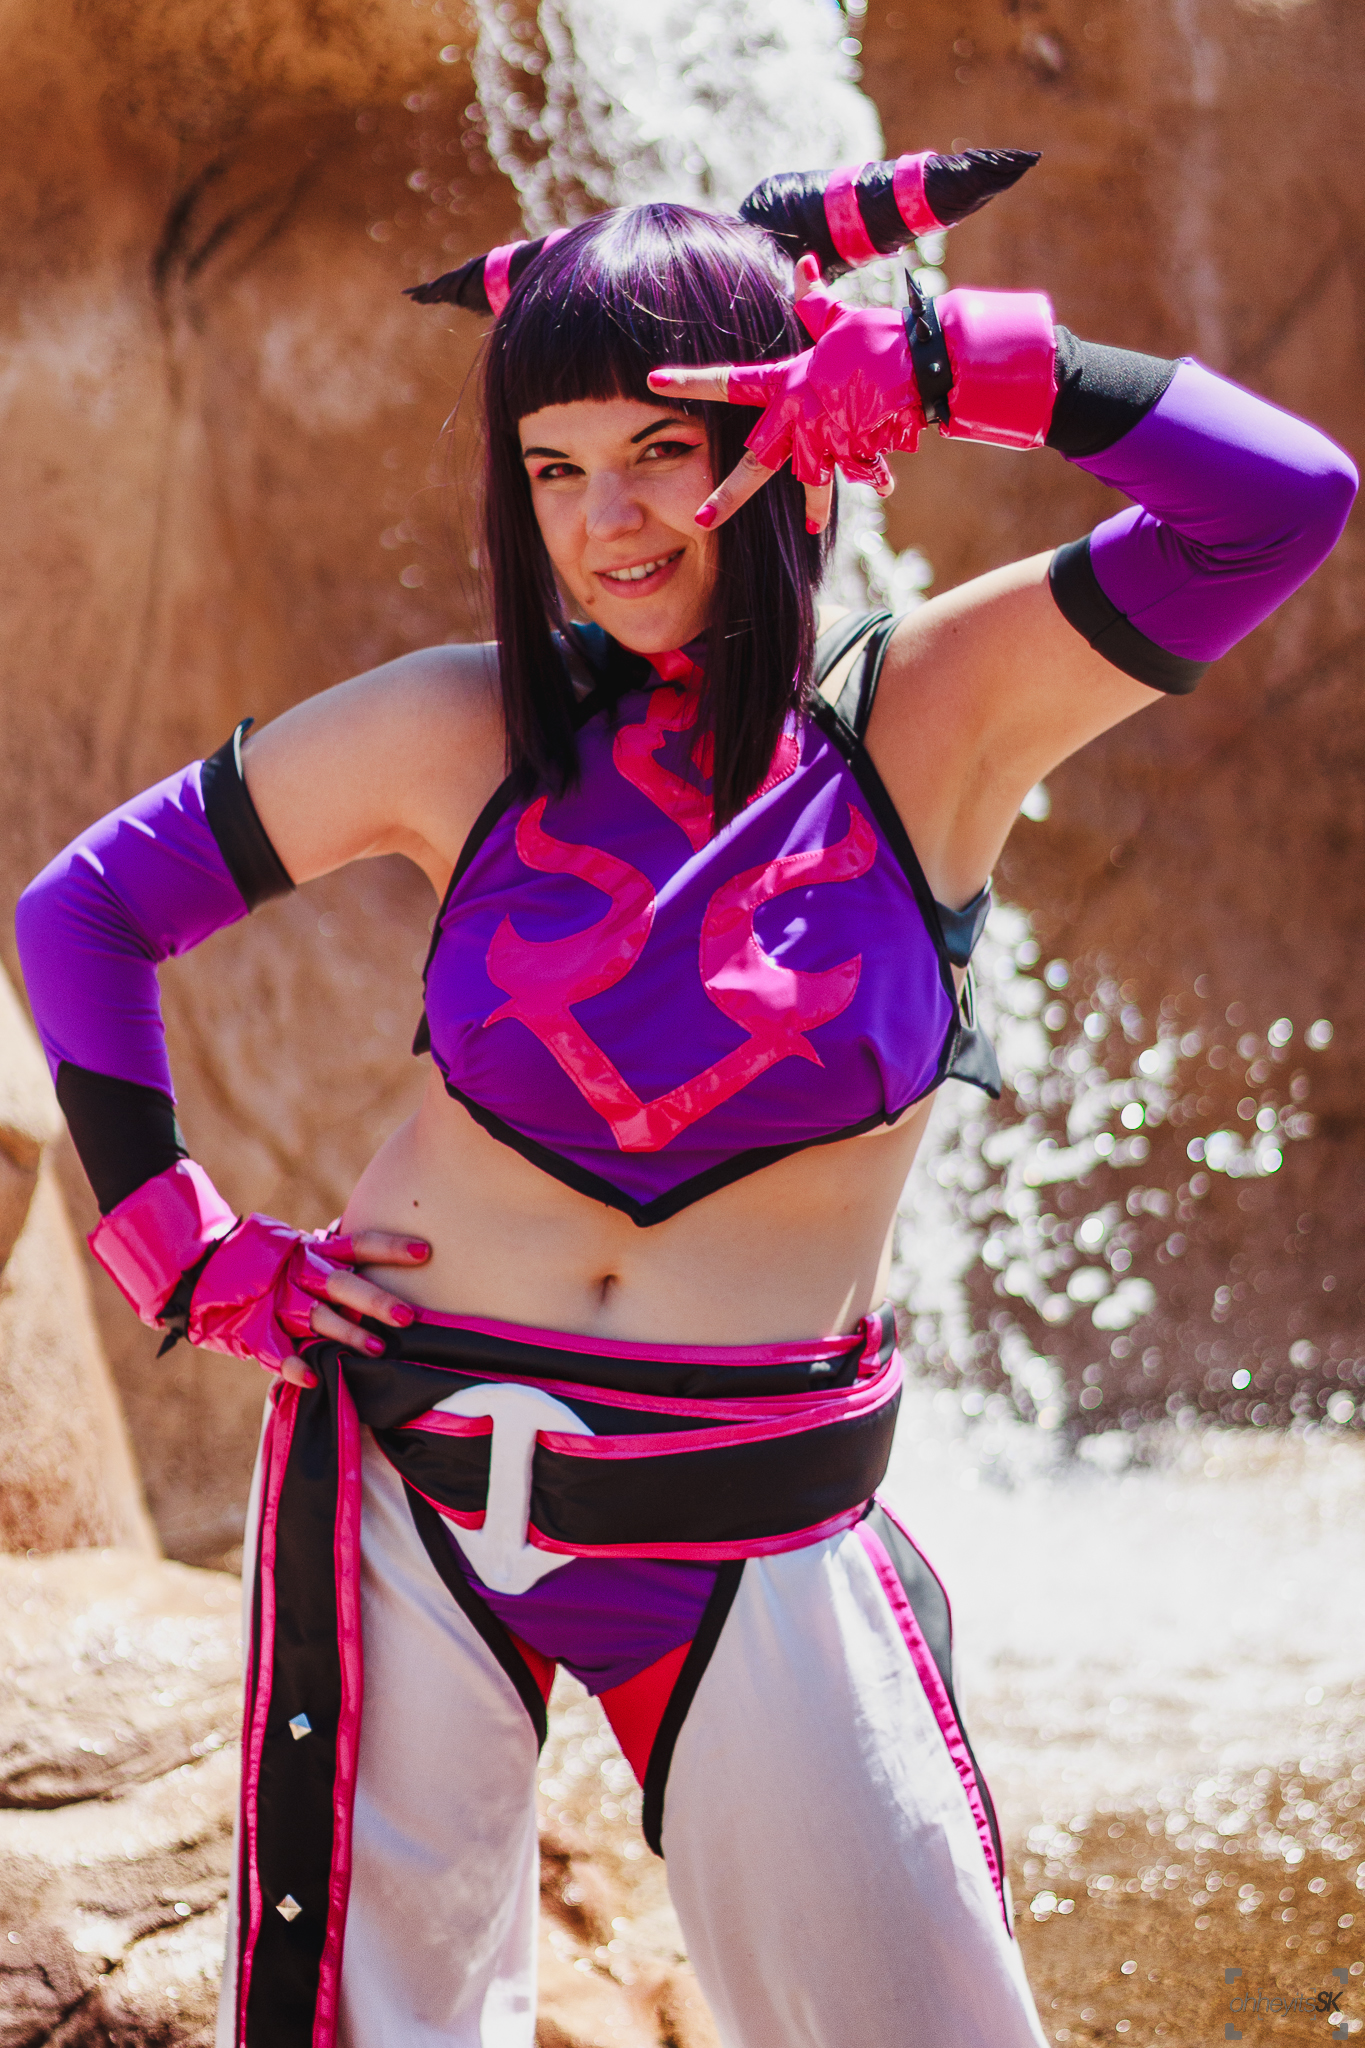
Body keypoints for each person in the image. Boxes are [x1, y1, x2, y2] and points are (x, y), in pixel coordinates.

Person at [15, 147, 1356, 2048]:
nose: (607, 522)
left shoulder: (933, 713)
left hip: (758, 1513)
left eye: (657, 451)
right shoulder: (455, 720)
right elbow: (84, 912)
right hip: (407, 1471)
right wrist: (182, 1249)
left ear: (779, 434)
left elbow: (1283, 502)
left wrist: (950, 360)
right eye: (553, 469)